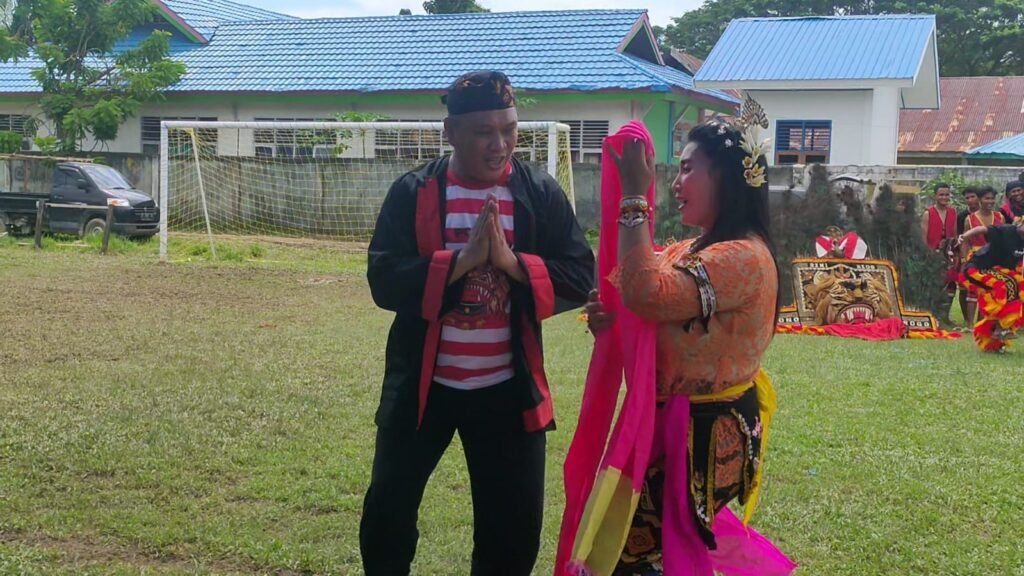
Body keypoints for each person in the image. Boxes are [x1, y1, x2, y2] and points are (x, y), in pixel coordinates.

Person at [360, 70, 594, 575]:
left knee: (513, 530)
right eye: (484, 132)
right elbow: (382, 277)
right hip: (424, 389)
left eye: (509, 129)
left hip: (508, 390)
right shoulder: (414, 192)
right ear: (451, 133)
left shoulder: (538, 192)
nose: (500, 144)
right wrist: (459, 261)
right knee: (387, 513)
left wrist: (512, 265)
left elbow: (580, 273)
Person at [581, 118, 793, 575]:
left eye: (687, 169)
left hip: (700, 434)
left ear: (727, 177)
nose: (675, 184)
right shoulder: (697, 249)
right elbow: (633, 289)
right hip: (678, 426)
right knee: (633, 550)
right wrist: (615, 322)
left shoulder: (743, 258)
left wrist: (636, 196)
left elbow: (646, 292)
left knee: (627, 555)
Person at [957, 219, 1024, 352]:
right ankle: (1000, 328)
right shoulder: (1006, 230)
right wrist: (964, 236)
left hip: (998, 270)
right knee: (1007, 284)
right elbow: (981, 229)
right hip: (978, 268)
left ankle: (996, 339)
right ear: (1021, 223)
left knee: (1019, 287)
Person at [958, 186, 1005, 325]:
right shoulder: (970, 219)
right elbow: (964, 241)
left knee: (990, 290)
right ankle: (969, 324)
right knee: (973, 290)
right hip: (976, 257)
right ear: (979, 200)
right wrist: (964, 258)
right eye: (987, 198)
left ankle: (983, 321)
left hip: (994, 257)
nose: (990, 201)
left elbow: (1003, 238)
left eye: (992, 198)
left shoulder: (999, 217)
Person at [920, 182, 958, 323]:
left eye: (947, 194)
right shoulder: (928, 213)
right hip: (932, 253)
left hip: (948, 254)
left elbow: (954, 234)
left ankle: (945, 316)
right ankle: (931, 315)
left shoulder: (953, 212)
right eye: (941, 194)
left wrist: (955, 253)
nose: (944, 197)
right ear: (935, 195)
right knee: (933, 285)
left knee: (950, 284)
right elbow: (923, 237)